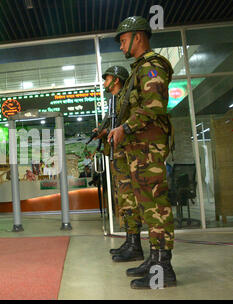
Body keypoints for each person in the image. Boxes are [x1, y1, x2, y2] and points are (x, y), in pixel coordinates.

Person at [107, 16, 176, 289]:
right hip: (139, 149)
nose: (122, 46)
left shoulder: (151, 66)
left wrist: (125, 127)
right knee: (148, 206)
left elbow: (154, 105)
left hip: (148, 147)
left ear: (138, 37)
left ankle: (163, 269)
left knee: (156, 206)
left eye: (124, 40)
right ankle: (155, 259)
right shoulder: (139, 69)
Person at [94, 65, 145, 263]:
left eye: (107, 79)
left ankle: (135, 245)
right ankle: (131, 241)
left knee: (129, 198)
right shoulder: (115, 101)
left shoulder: (127, 99)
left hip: (128, 154)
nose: (104, 82)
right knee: (124, 199)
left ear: (116, 80)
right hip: (120, 155)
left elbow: (131, 124)